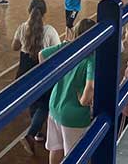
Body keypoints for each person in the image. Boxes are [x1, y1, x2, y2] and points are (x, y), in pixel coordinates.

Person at [40, 18, 96, 163]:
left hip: (54, 105)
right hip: (73, 115)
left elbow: (42, 55)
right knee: (75, 156)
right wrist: (84, 101)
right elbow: (91, 86)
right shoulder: (91, 58)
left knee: (55, 149)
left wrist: (52, 78)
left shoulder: (66, 46)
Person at [14, 0, 61, 155]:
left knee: (33, 101)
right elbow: (58, 51)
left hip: (24, 72)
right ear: (45, 12)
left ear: (29, 10)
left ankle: (38, 132)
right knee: (45, 104)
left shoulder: (22, 27)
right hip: (41, 72)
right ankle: (31, 134)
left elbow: (15, 46)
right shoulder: (50, 31)